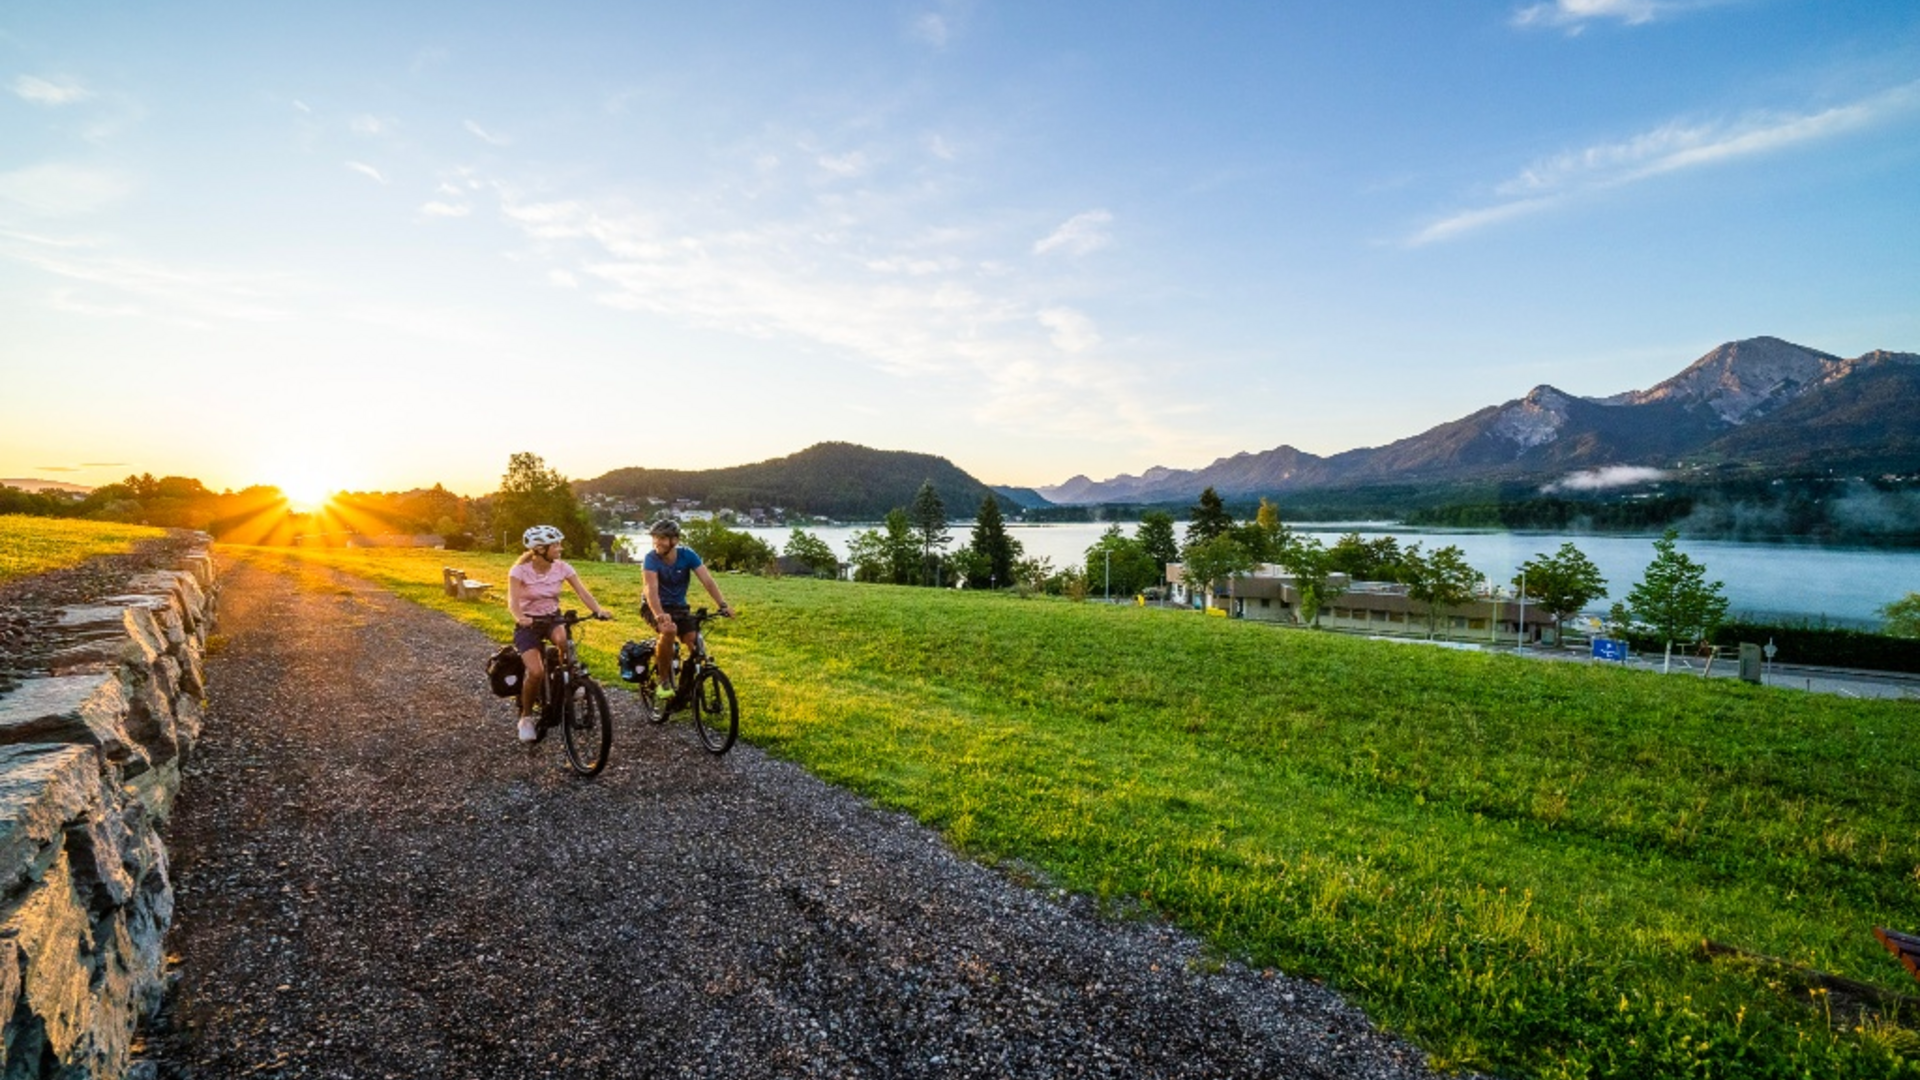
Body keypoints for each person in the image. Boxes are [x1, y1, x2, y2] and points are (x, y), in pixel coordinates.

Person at [508, 524, 612, 743]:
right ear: (540, 549)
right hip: (528, 624)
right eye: (555, 544)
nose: (560, 548)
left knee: (564, 641)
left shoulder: (563, 567)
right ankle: (526, 718)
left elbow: (583, 592)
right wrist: (520, 617)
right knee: (535, 672)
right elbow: (513, 602)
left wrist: (598, 610)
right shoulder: (519, 571)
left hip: (552, 618)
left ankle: (570, 682)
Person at [641, 519, 733, 706]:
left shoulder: (688, 555)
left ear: (674, 540)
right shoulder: (651, 559)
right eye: (655, 538)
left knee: (695, 644)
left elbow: (707, 581)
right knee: (668, 631)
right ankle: (664, 682)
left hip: (679, 607)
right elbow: (650, 589)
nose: (657, 542)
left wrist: (723, 605)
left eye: (662, 539)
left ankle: (685, 691)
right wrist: (659, 613)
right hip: (654, 606)